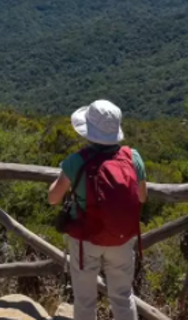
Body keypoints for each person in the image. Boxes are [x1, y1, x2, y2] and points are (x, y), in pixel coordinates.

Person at [47, 100, 147, 320]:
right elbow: (141, 196)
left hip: (86, 239)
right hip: (122, 238)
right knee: (122, 295)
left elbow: (53, 198)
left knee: (85, 299)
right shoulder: (133, 157)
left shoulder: (76, 161)